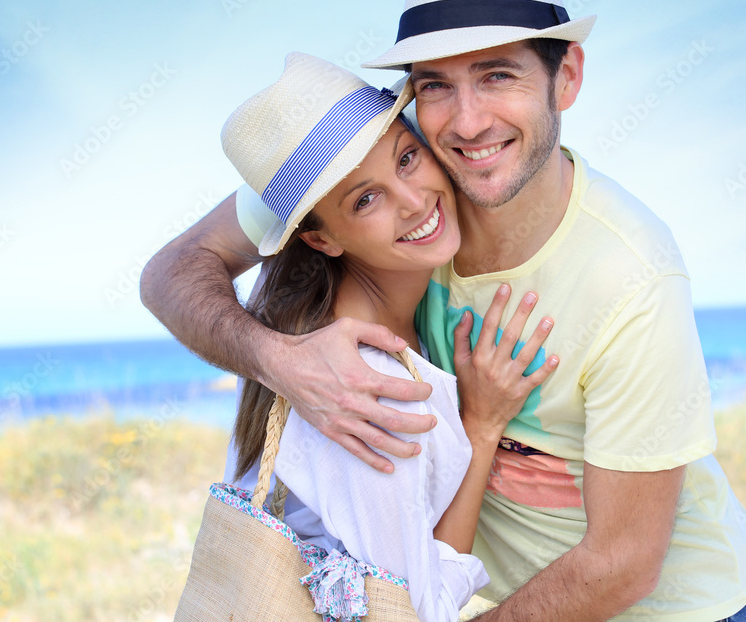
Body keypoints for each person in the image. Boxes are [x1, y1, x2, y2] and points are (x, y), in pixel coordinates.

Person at [142, 0, 746, 620]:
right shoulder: (365, 170)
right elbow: (172, 270)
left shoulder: (630, 274)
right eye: (436, 85)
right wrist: (277, 359)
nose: (467, 124)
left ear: (567, 76)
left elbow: (623, 563)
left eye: (498, 75)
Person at [199, 52, 557, 622]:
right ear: (321, 240)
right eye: (365, 200)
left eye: (408, 159)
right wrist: (483, 427)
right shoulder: (367, 386)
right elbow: (417, 611)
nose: (414, 201)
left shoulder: (311, 329)